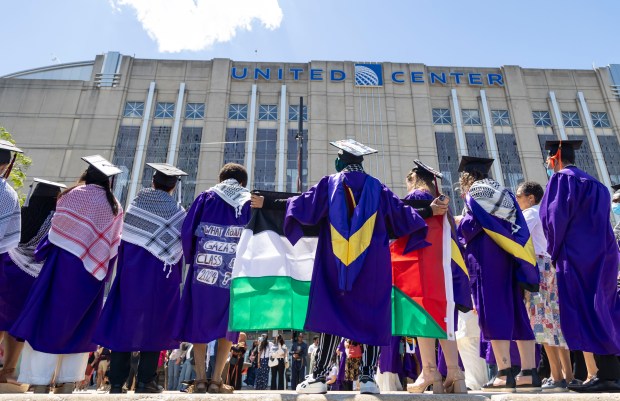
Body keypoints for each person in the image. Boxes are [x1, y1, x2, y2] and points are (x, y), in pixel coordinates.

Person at [252, 139, 433, 395]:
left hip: (333, 264)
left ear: (341, 161)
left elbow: (302, 205)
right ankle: (369, 377)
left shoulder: (330, 183)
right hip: (372, 266)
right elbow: (403, 213)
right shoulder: (377, 188)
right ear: (359, 162)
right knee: (371, 315)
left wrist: (268, 202)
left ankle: (318, 377)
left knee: (331, 315)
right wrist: (429, 211)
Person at [10, 155, 123, 394]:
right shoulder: (114, 205)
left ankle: (40, 380)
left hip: (62, 265)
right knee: (80, 324)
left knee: (48, 318)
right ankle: (68, 380)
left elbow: (56, 230)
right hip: (92, 273)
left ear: (87, 174)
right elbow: (113, 245)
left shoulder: (73, 194)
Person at [93, 162, 187, 394]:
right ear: (173, 187)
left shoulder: (135, 208)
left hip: (132, 274)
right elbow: (180, 249)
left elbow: (123, 244)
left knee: (124, 323)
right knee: (155, 324)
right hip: (162, 278)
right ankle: (146, 380)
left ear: (153, 182)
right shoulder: (178, 212)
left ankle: (116, 382)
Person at [539, 140, 620, 393]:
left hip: (577, 258)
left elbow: (554, 219)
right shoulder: (598, 185)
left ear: (555, 159)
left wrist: (554, 251)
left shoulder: (562, 180)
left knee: (584, 311)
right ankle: (609, 373)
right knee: (603, 310)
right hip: (605, 256)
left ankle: (605, 375)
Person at [456, 156, 540, 392]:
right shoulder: (503, 192)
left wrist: (458, 223)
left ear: (467, 178)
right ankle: (528, 372)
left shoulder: (475, 193)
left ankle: (504, 373)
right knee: (516, 311)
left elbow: (473, 227)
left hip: (486, 260)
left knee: (492, 312)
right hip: (509, 257)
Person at [173, 163, 252, 394]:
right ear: (242, 182)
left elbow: (188, 230)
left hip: (204, 270)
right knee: (229, 323)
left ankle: (199, 380)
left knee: (199, 319)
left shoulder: (206, 197)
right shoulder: (249, 201)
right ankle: (217, 380)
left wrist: (192, 257)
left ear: (221, 178)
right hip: (234, 273)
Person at [399, 161, 470, 394]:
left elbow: (401, 222)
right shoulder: (443, 202)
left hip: (424, 267)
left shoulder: (416, 196)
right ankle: (454, 372)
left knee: (422, 316)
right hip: (446, 269)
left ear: (413, 180)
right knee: (444, 317)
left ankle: (429, 370)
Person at [0, 178, 64, 392]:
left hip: (8, 267)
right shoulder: (55, 221)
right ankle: (8, 370)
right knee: (17, 328)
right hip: (32, 277)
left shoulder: (22, 214)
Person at [516, 181, 576, 392]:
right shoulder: (545, 212)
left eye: (519, 196)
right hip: (550, 267)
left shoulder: (530, 214)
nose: (517, 201)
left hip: (538, 267)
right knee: (555, 321)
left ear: (530, 197)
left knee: (541, 320)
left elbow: (516, 235)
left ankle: (556, 375)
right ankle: (567, 375)